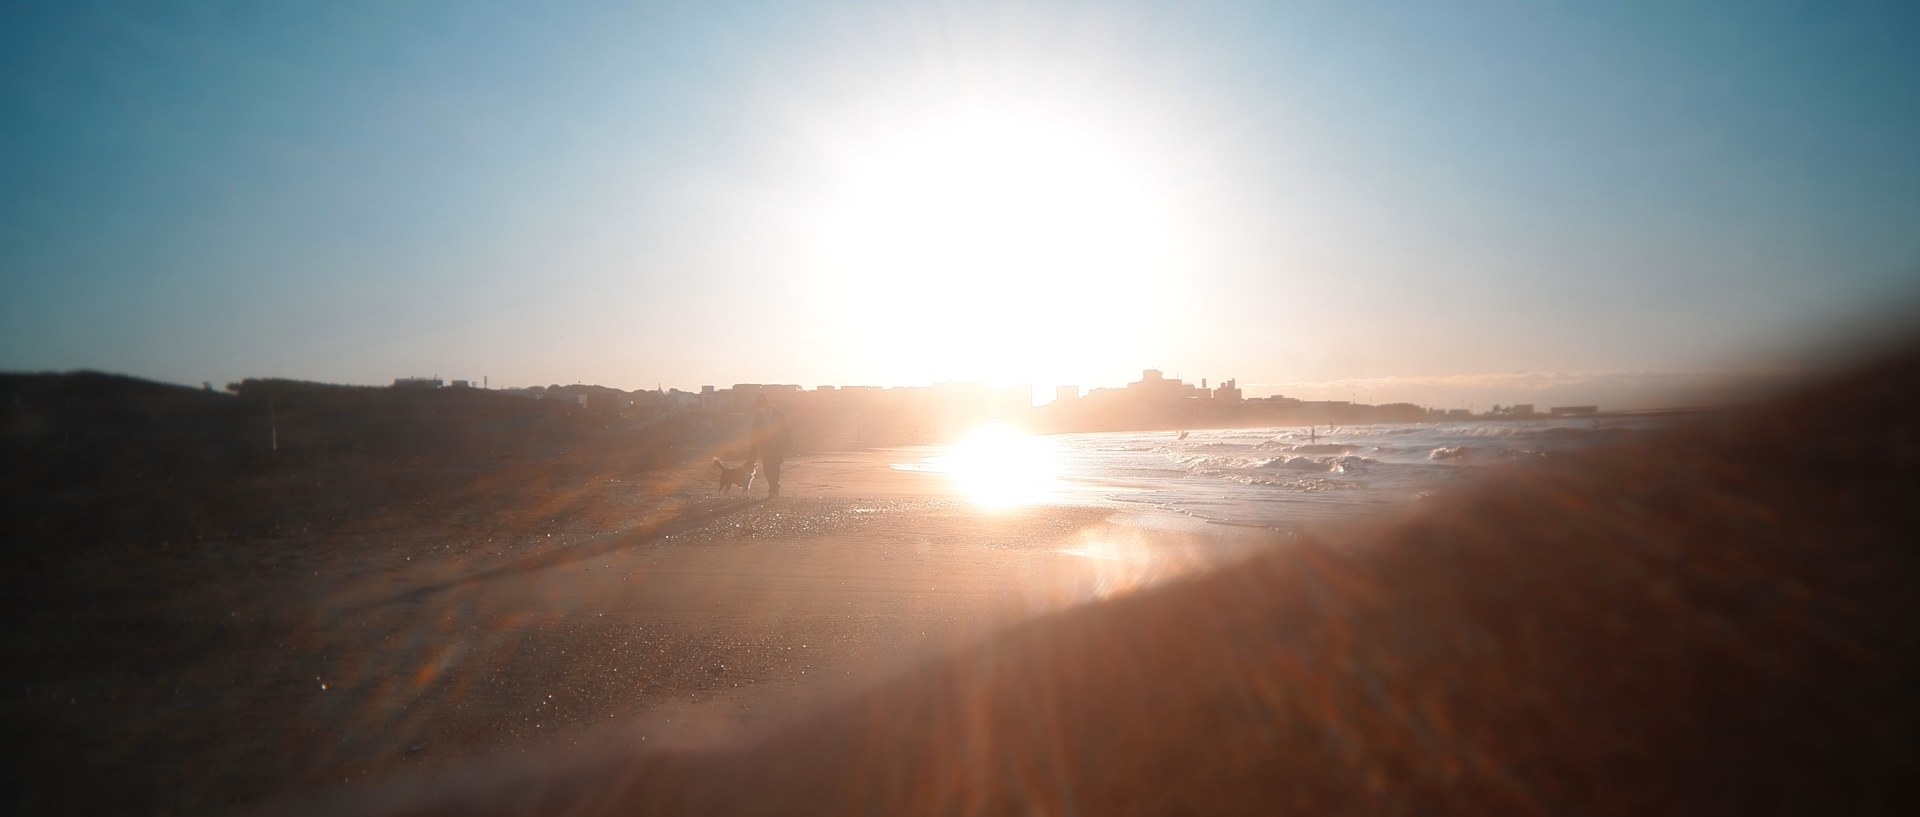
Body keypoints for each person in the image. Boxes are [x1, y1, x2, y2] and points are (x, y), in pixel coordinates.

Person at [747, 393, 792, 498]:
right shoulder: (758, 417)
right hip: (765, 447)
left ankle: (773, 489)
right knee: (767, 469)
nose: (760, 409)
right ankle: (774, 486)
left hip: (778, 446)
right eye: (758, 407)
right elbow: (754, 437)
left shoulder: (777, 414)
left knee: (775, 467)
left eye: (761, 406)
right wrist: (753, 455)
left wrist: (787, 445)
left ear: (766, 405)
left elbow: (786, 430)